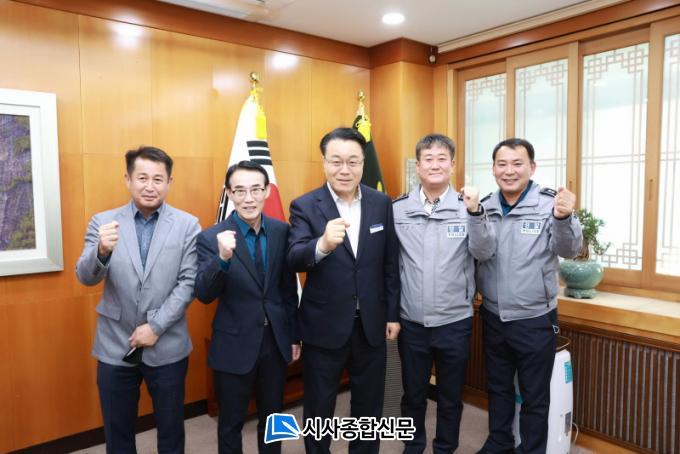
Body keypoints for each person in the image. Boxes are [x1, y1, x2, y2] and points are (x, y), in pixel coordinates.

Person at [76, 146, 200, 454]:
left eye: (158, 179)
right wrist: (101, 251)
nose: (150, 186)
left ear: (169, 182)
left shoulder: (187, 224)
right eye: (142, 177)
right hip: (115, 344)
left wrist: (155, 327)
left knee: (171, 432)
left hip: (167, 343)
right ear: (128, 179)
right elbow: (85, 277)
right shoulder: (103, 222)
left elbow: (188, 283)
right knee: (117, 434)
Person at [287, 127, 400, 454]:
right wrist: (321, 245)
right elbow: (293, 257)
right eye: (336, 161)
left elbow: (390, 263)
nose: (344, 169)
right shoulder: (305, 206)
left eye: (353, 161)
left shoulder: (381, 203)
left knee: (369, 406)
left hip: (371, 324)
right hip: (323, 326)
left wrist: (392, 314)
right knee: (319, 406)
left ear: (363, 163)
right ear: (324, 163)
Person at [476, 138, 582, 454]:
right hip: (493, 315)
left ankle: (532, 450)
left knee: (535, 395)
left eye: (517, 163)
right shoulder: (484, 207)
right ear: (494, 169)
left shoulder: (550, 204)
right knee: (498, 387)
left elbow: (569, 249)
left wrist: (563, 217)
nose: (509, 171)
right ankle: (499, 442)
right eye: (502, 164)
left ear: (531, 167)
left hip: (535, 318)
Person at [393, 134, 495, 454]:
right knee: (413, 395)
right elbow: (389, 265)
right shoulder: (398, 209)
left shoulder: (469, 207)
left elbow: (485, 251)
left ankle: (445, 448)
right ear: (418, 166)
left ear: (452, 165)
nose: (435, 165)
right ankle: (413, 447)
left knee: (450, 396)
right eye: (428, 158)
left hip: (454, 321)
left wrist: (475, 213)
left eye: (442, 159)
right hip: (412, 321)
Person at [194, 160, 299, 454]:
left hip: (275, 341)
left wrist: (293, 335)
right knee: (230, 424)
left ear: (267, 191)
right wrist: (222, 259)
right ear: (229, 193)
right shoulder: (211, 237)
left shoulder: (282, 231)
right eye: (240, 191)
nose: (248, 198)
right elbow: (204, 294)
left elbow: (288, 290)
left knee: (274, 420)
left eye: (255, 189)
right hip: (234, 343)